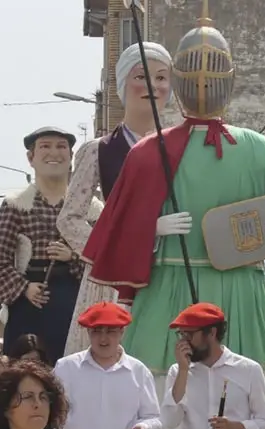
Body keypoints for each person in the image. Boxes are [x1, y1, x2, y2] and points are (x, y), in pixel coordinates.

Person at [82, 7, 265, 429]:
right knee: (170, 409)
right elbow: (118, 227)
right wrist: (152, 230)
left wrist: (238, 236)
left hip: (227, 290)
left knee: (233, 403)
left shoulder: (256, 147)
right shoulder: (148, 150)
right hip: (184, 287)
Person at [56, 40, 172, 356]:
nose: (153, 85)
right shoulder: (99, 151)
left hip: (166, 267)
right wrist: (110, 248)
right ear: (122, 83)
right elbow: (69, 219)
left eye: (161, 78)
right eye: (142, 76)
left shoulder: (177, 148)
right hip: (114, 276)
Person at [0, 127, 82, 362]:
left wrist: (72, 257)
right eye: (45, 146)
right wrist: (24, 288)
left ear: (71, 156)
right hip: (28, 303)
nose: (54, 153)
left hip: (73, 297)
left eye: (61, 147)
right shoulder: (15, 205)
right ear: (31, 158)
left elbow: (102, 260)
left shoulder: (86, 208)